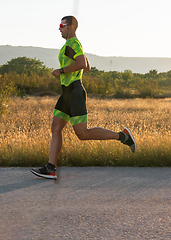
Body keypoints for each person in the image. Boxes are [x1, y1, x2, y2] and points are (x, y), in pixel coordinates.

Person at [31, 16, 136, 179]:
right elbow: (86, 66)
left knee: (83, 134)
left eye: (62, 25)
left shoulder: (72, 43)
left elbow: (81, 64)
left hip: (74, 92)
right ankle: (50, 168)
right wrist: (66, 73)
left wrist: (62, 71)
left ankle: (123, 136)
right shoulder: (71, 44)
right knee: (56, 128)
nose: (59, 28)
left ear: (70, 27)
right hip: (66, 92)